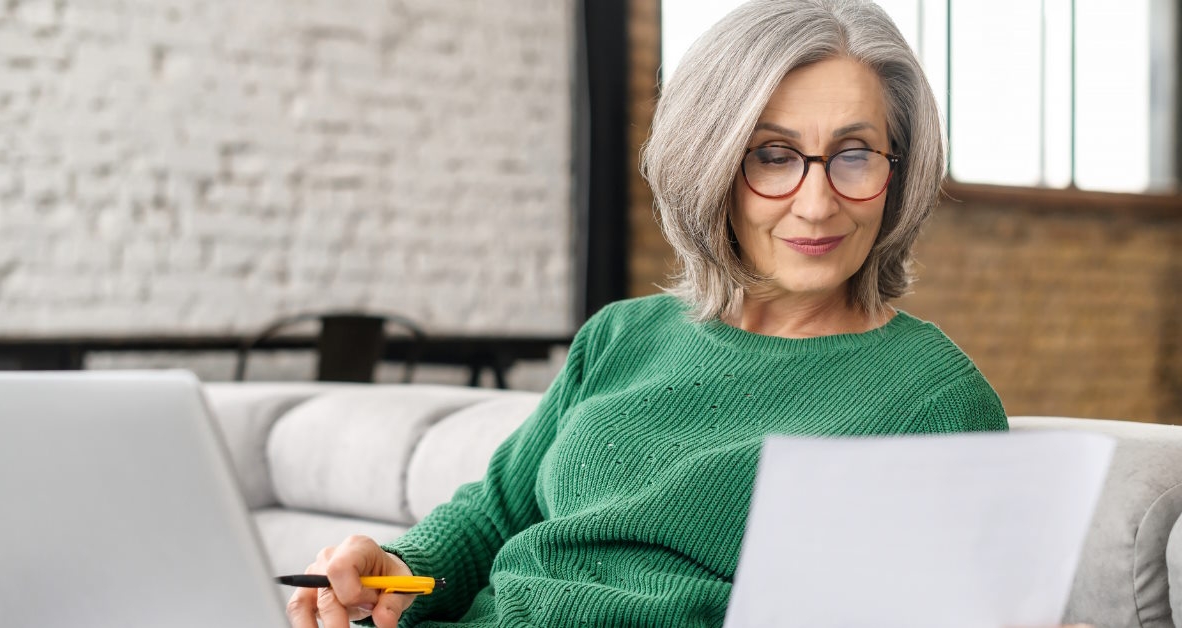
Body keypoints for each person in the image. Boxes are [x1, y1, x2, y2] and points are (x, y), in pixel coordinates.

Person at [286, 1, 1009, 626]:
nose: (817, 204)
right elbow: (497, 512)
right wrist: (397, 564)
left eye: (855, 154)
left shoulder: (935, 399)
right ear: (713, 164)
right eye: (772, 156)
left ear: (900, 169)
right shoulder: (622, 337)